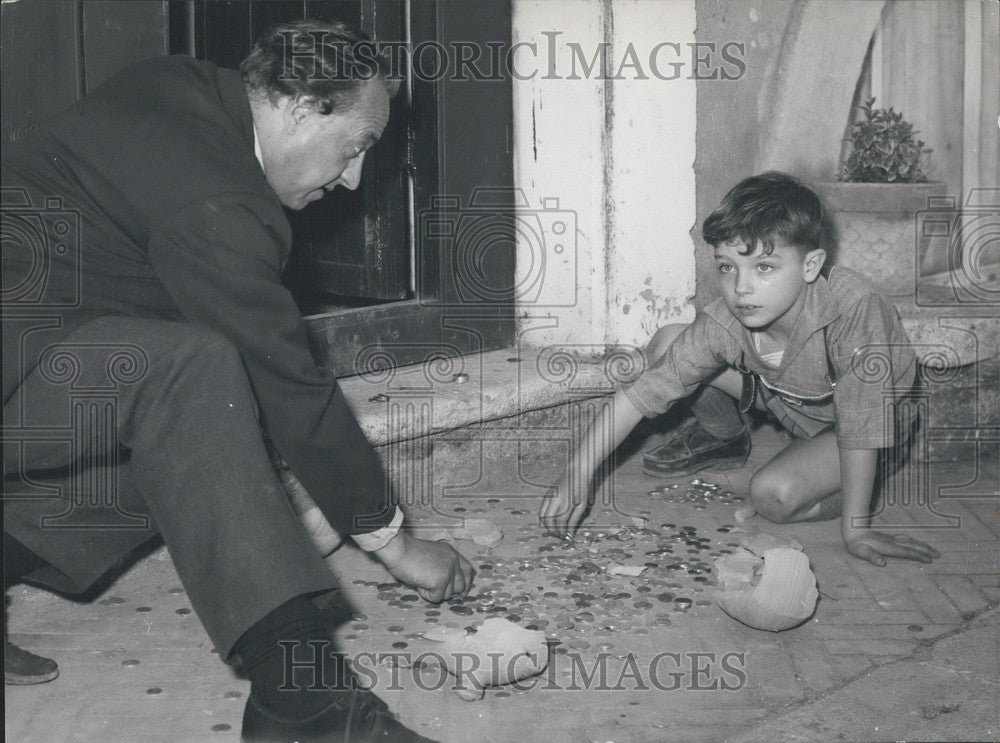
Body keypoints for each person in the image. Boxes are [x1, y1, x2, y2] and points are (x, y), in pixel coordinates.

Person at [2, 19, 472, 742]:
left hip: (41, 347)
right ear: (297, 107)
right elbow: (289, 380)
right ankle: (305, 704)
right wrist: (395, 542)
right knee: (193, 377)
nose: (352, 178)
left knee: (204, 435)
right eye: (355, 148)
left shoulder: (181, 87)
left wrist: (297, 492)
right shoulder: (218, 204)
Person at [539, 172, 940, 569]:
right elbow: (641, 395)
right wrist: (579, 469)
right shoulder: (729, 320)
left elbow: (860, 424)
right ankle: (725, 438)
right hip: (795, 404)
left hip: (871, 425)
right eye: (727, 267)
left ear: (810, 265)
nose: (741, 288)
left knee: (771, 495)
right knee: (670, 342)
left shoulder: (854, 309)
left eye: (764, 267)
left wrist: (856, 529)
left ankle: (864, 485)